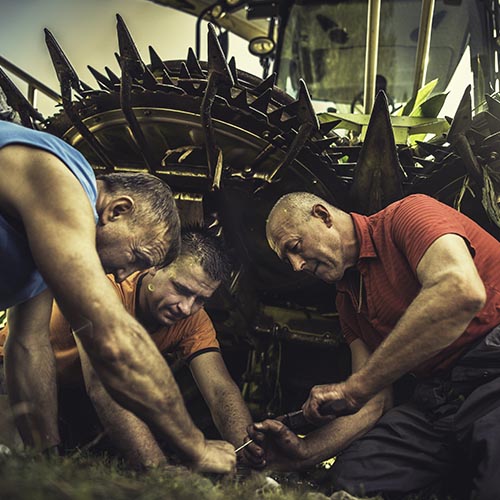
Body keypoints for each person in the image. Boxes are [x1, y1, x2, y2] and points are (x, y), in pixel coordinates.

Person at [0, 119, 235, 472]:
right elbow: (112, 343)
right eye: (137, 257)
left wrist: (46, 463)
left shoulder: (44, 244)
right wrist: (197, 447)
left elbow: (27, 346)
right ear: (118, 210)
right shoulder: (66, 184)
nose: (125, 274)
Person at [248, 192, 500, 498]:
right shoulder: (347, 302)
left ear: (322, 215)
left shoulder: (408, 215)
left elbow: (460, 291)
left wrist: (353, 388)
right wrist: (304, 450)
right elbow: (374, 402)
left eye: (295, 248)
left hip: (492, 371)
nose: (296, 265)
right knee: (354, 479)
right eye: (287, 259)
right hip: (440, 399)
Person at [1, 227, 259, 468]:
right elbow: (102, 385)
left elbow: (219, 389)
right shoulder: (106, 288)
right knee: (20, 466)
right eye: (180, 289)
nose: (186, 307)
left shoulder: (193, 320)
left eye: (201, 299)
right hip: (13, 377)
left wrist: (247, 448)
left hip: (74, 396)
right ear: (156, 267)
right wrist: (158, 468)